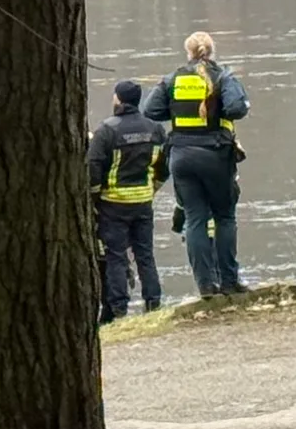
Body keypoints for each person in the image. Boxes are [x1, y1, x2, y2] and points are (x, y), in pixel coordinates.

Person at [146, 30, 249, 296]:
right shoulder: (223, 77)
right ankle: (229, 281)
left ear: (188, 53)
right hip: (215, 154)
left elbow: (151, 111)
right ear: (211, 52)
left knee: (194, 219)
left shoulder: (173, 79)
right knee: (224, 217)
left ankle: (205, 285)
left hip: (181, 156)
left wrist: (178, 110)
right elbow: (238, 108)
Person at [86, 79, 165, 322]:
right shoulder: (155, 129)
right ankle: (153, 302)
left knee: (116, 256)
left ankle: (119, 308)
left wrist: (94, 194)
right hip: (143, 201)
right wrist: (153, 189)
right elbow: (163, 166)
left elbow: (94, 166)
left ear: (118, 99)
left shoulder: (107, 130)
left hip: (113, 203)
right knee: (145, 254)